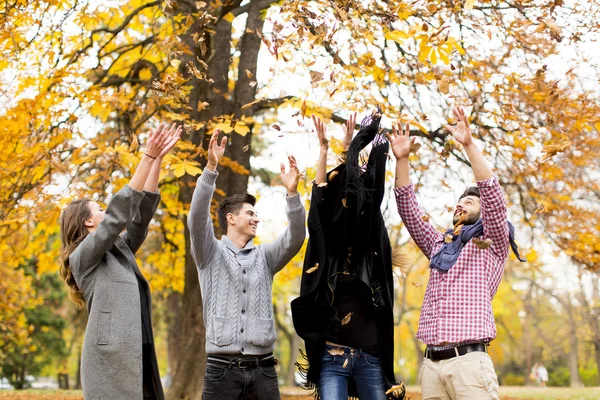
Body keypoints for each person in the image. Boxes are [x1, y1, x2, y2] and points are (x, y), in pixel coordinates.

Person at [387, 107, 525, 400]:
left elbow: (494, 198)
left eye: (470, 201)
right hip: (432, 365)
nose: (461, 204)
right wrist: (402, 160)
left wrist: (469, 145)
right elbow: (408, 210)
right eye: (459, 201)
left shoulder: (492, 241)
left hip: (469, 365)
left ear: (483, 210)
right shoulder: (439, 244)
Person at [59, 123, 181, 400]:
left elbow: (140, 219)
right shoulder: (82, 258)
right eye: (99, 209)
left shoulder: (119, 251)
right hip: (110, 364)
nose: (105, 211)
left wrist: (157, 161)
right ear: (88, 221)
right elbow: (117, 217)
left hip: (139, 354)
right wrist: (146, 157)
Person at [292, 110, 405, 400]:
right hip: (332, 358)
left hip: (369, 357)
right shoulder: (326, 253)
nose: (344, 206)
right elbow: (321, 199)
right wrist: (326, 150)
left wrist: (352, 151)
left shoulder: (372, 249)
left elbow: (362, 193)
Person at [187, 130, 306, 399]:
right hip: (221, 371)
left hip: (264, 371)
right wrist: (211, 168)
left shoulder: (265, 256)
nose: (256, 219)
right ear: (231, 218)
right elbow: (196, 219)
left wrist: (292, 194)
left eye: (256, 214)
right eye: (250, 213)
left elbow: (296, 237)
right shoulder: (209, 253)